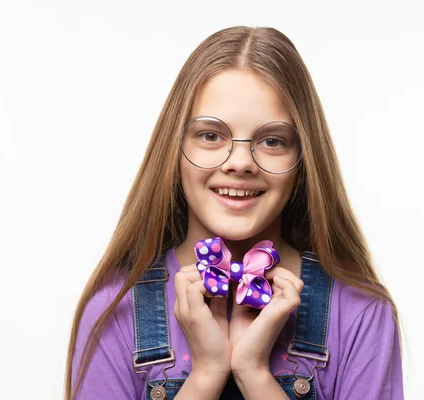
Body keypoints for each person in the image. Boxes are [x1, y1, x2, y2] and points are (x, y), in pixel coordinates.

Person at [65, 26, 404, 400]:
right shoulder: (115, 309)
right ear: (174, 149)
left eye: (271, 140)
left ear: (303, 160)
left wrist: (254, 373)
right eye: (211, 135)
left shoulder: (360, 314)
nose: (240, 162)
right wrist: (206, 374)